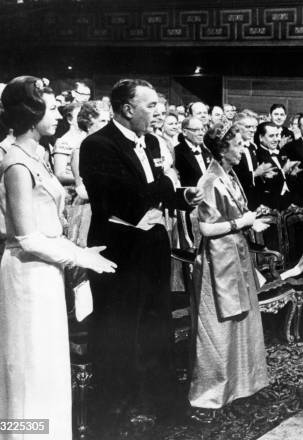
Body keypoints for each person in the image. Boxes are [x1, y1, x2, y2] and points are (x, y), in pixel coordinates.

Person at [0, 76, 116, 440]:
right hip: (26, 273)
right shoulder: (16, 162)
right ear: (31, 116)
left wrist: (76, 253)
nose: (60, 117)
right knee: (29, 363)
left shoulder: (39, 154)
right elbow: (28, 237)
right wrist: (79, 256)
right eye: (50, 109)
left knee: (47, 363)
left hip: (46, 270)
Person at [80, 79, 203, 424]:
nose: (157, 113)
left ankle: (164, 404)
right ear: (127, 108)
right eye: (151, 106)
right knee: (118, 330)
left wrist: (182, 196)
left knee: (156, 326)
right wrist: (165, 185)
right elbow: (122, 202)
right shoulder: (97, 145)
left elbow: (153, 191)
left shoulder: (150, 141)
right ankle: (114, 410)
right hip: (119, 252)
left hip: (151, 246)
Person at [188, 123, 269, 418]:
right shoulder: (209, 179)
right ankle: (212, 392)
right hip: (216, 261)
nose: (243, 149)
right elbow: (207, 227)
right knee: (219, 326)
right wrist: (242, 223)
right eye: (237, 144)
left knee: (242, 321)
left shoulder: (230, 175)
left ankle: (243, 384)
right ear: (222, 149)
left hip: (236, 254)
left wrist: (249, 222)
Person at [67, 101, 110, 248]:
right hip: (89, 211)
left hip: (108, 210)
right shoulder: (80, 150)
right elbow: (82, 190)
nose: (108, 125)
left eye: (109, 121)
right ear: (89, 123)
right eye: (103, 121)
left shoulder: (108, 149)